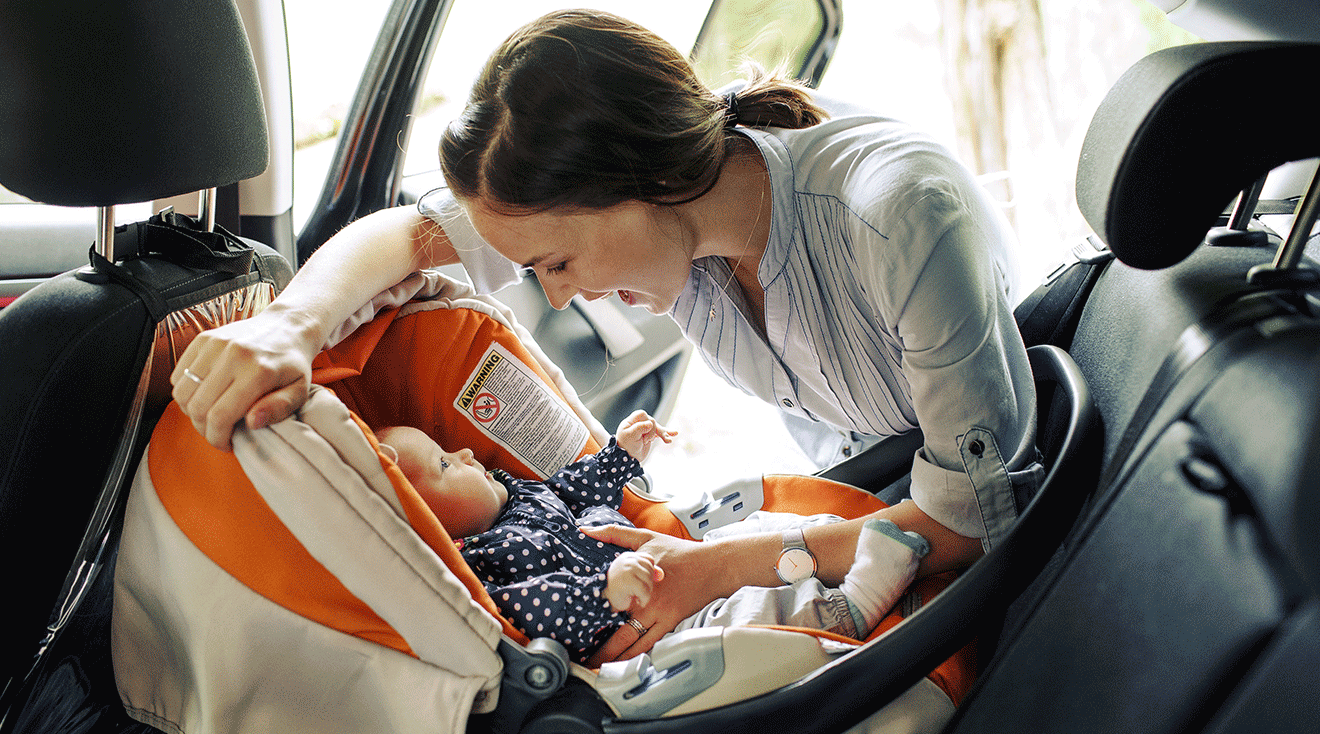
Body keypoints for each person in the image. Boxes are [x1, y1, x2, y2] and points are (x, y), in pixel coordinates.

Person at [171, 9, 1040, 664]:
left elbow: (971, 521)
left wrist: (723, 565)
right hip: (864, 502)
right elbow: (401, 240)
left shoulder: (897, 218)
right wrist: (288, 327)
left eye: (555, 261)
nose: (550, 296)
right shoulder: (679, 220)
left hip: (972, 548)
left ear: (641, 178)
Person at [374, 411, 928, 664]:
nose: (467, 453)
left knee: (764, 529)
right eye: (446, 465)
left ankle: (834, 547)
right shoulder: (483, 562)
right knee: (741, 621)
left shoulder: (523, 497)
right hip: (642, 625)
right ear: (432, 530)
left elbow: (573, 487)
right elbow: (529, 609)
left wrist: (620, 454)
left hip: (666, 560)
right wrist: (604, 591)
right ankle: (851, 606)